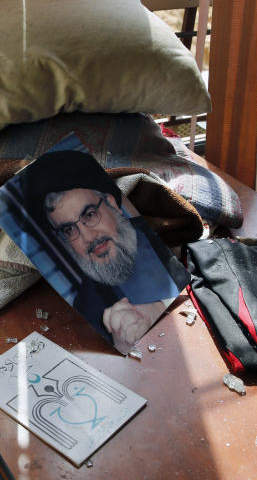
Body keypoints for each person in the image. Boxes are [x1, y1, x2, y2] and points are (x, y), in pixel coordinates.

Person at [23, 149, 189, 353]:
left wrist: (160, 308)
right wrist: (120, 343)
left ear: (112, 203)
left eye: (90, 215)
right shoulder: (87, 304)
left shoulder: (168, 229)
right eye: (69, 229)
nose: (88, 237)